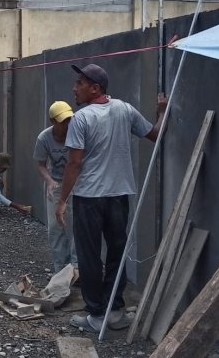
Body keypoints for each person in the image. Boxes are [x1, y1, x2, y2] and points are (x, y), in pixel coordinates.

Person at [56, 63, 166, 333]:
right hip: (119, 195)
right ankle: (115, 310)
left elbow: (74, 164)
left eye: (80, 83)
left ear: (95, 88)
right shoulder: (125, 109)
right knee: (117, 253)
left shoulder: (81, 118)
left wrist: (61, 200)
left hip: (89, 197)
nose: (74, 88)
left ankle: (96, 314)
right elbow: (157, 134)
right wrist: (162, 111)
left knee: (90, 256)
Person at [34, 100, 78, 275]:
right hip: (57, 184)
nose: (67, 124)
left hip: (78, 184)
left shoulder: (77, 134)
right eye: (63, 121)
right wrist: (49, 180)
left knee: (78, 226)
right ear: (53, 121)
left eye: (69, 120)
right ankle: (61, 269)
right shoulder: (44, 138)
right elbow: (41, 164)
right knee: (55, 227)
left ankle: (77, 268)